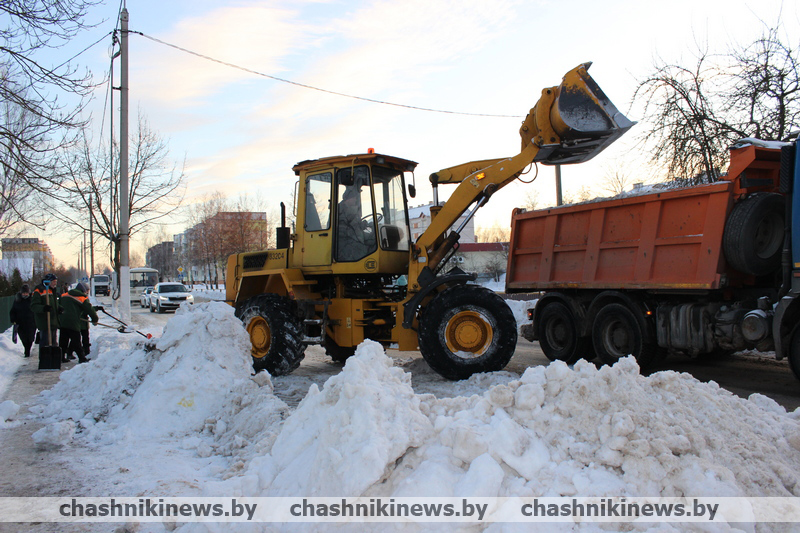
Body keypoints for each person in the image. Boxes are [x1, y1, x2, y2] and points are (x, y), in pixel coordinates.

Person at [58, 282, 97, 364]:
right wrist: (95, 319)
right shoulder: (82, 298)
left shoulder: (64, 295)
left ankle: (61, 357)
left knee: (63, 340)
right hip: (73, 321)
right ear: (83, 290)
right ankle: (82, 358)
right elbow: (89, 310)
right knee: (76, 340)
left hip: (63, 320)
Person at [336, 185, 376, 261]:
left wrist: (362, 225)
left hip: (353, 238)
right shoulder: (339, 211)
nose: (355, 200)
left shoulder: (352, 211)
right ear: (348, 199)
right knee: (366, 250)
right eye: (354, 197)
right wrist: (357, 226)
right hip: (344, 243)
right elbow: (344, 229)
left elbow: (354, 226)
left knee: (375, 240)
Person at [30, 273, 61, 356]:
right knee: (45, 342)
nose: (55, 283)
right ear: (49, 281)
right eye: (54, 281)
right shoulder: (39, 290)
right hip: (45, 321)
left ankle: (53, 358)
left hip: (53, 321)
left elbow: (53, 304)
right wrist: (43, 308)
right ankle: (44, 359)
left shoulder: (52, 290)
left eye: (56, 281)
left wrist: (58, 308)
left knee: (54, 342)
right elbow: (34, 306)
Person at [9, 284, 36, 358]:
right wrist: (13, 319)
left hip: (31, 322)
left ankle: (28, 349)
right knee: (23, 337)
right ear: (21, 293)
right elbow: (13, 311)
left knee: (31, 338)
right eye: (23, 293)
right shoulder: (17, 301)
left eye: (26, 293)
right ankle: (26, 349)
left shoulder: (32, 300)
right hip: (20, 322)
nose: (25, 294)